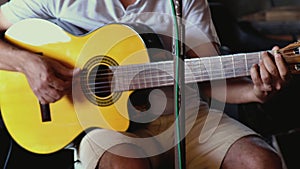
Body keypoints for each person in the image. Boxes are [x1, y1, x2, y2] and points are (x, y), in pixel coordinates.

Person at [0, 0, 290, 169]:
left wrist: (256, 91)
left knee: (261, 161)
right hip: (104, 127)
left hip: (185, 115)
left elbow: (206, 79)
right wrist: (28, 64)